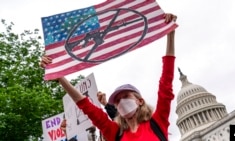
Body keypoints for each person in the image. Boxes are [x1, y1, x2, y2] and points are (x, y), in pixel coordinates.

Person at [41, 13, 177, 141]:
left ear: (140, 101)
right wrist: (60, 77)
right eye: (117, 101)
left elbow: (166, 82)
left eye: (125, 97)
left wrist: (170, 34)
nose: (121, 102)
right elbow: (85, 105)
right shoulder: (115, 133)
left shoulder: (157, 121)